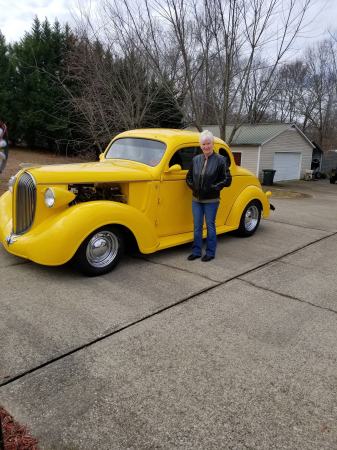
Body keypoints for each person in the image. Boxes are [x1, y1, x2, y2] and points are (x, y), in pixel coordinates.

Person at [186, 130, 232, 262]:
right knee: (197, 226)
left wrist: (213, 188)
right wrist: (194, 187)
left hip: (211, 200)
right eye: (203, 144)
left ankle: (210, 252)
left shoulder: (221, 160)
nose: (206, 146)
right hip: (196, 199)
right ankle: (196, 251)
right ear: (200, 145)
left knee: (210, 225)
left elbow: (227, 180)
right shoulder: (196, 159)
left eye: (208, 143)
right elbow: (188, 177)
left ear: (213, 144)